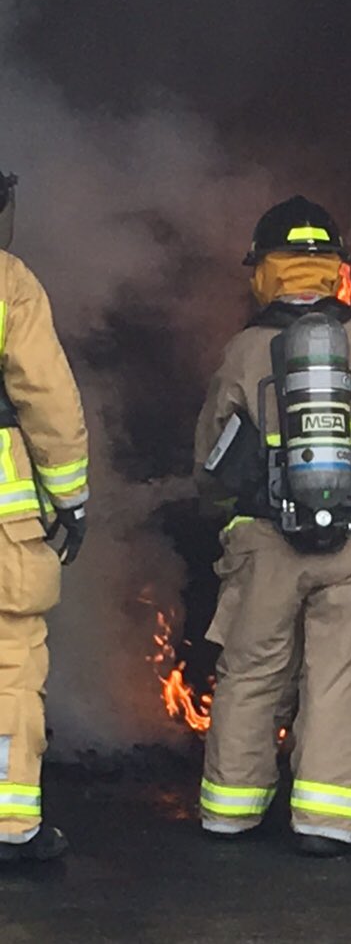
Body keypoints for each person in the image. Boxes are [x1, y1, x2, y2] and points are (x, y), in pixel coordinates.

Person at [194, 196, 351, 857]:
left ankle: (231, 810)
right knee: (338, 675)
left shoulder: (247, 347)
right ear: (335, 267)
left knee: (253, 669)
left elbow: (211, 454)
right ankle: (326, 820)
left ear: (265, 269)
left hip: (265, 539)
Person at [0, 169, 89, 863]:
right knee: (7, 661)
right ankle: (7, 826)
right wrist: (71, 497)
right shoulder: (8, 281)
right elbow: (47, 396)